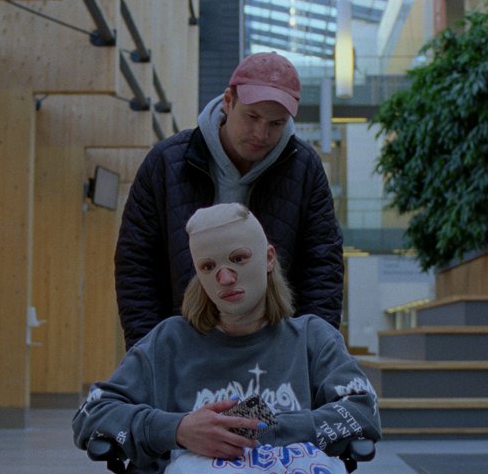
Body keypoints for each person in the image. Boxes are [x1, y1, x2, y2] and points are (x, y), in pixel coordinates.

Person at [75, 204, 381, 474]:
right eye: (208, 266)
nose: (225, 278)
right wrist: (178, 430)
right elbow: (92, 414)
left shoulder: (312, 339)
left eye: (239, 258)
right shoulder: (168, 342)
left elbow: (364, 410)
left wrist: (263, 429)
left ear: (269, 258)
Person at [115, 51, 343, 349]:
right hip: (183, 345)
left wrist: (313, 353)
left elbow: (323, 267)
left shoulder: (305, 168)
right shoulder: (166, 162)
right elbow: (137, 265)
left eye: (276, 123)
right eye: (252, 117)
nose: (261, 133)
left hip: (274, 348)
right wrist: (149, 353)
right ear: (228, 101)